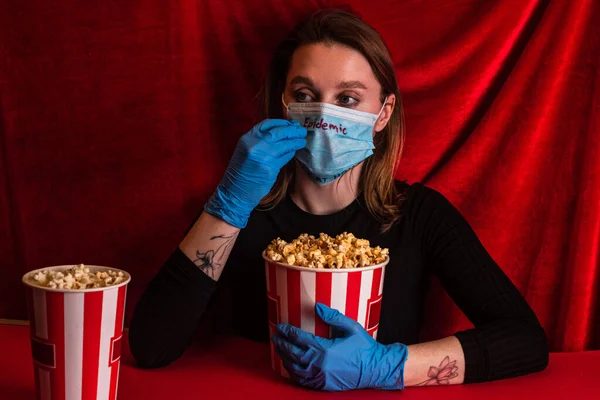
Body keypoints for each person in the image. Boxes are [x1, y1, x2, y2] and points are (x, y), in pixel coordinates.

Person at [129, 9, 548, 391]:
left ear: (383, 113)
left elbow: (525, 339)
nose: (325, 116)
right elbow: (151, 346)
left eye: (347, 99)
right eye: (306, 95)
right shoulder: (244, 212)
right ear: (284, 103)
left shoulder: (420, 216)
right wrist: (229, 203)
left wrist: (387, 366)